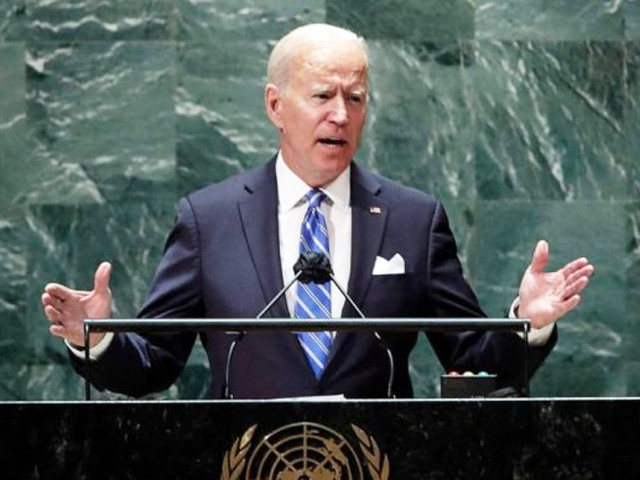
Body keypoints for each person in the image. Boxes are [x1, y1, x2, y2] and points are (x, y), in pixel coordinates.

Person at [41, 23, 594, 399]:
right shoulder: (209, 219)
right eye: (322, 96)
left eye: (355, 99)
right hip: (244, 462)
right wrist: (98, 337)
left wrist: (527, 322)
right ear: (276, 106)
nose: (340, 115)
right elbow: (155, 362)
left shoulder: (412, 218)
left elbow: (474, 355)